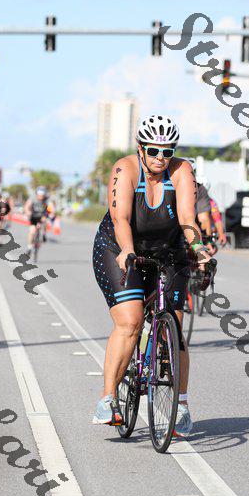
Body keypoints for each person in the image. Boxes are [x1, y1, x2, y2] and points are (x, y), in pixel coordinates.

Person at [92, 115, 211, 435]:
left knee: (175, 330)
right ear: (141, 148)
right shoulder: (125, 169)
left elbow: (187, 218)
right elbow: (121, 218)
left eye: (167, 151)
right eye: (154, 151)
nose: (161, 157)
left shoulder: (182, 170)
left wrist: (199, 249)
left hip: (168, 250)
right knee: (130, 322)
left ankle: (181, 404)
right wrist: (128, 251)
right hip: (119, 247)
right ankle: (107, 398)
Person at [24, 187, 54, 256]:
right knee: (32, 231)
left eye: (42, 196)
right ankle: (29, 247)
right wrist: (28, 212)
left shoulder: (47, 199)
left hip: (43, 215)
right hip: (34, 216)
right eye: (39, 195)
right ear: (37, 194)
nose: (40, 197)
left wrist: (50, 214)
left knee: (45, 222)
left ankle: (44, 234)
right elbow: (27, 206)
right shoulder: (32, 198)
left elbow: (51, 208)